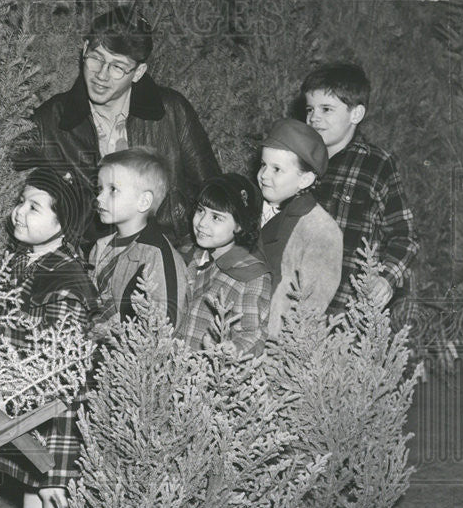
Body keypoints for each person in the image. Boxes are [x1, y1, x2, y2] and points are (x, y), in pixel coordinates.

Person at [0, 169, 97, 508]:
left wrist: (29, 378)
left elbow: (65, 350)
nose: (20, 212)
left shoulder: (66, 276)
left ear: (62, 223)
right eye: (22, 201)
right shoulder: (22, 262)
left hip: (53, 400)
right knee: (29, 477)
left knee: (52, 486)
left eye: (34, 206)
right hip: (22, 393)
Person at [11, 5, 221, 248]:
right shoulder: (52, 120)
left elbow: (214, 193)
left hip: (171, 249)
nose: (102, 75)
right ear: (84, 50)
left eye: (118, 67)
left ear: (138, 72)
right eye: (96, 59)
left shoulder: (172, 111)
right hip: (92, 260)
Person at [301, 62, 420, 312]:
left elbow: (405, 236)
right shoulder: (297, 162)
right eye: (310, 108)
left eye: (326, 109)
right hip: (297, 302)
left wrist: (386, 280)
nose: (314, 117)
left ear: (356, 114)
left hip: (348, 308)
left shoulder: (376, 164)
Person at [257, 118, 343, 343]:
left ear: (305, 179)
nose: (264, 175)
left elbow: (309, 309)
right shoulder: (251, 206)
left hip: (272, 348)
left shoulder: (321, 230)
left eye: (277, 169)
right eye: (263, 165)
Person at [89, 147, 187, 334]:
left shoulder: (156, 256)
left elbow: (165, 324)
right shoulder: (101, 247)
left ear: (143, 201)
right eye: (100, 189)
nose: (99, 198)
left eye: (113, 190)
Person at [178, 173, 272, 357]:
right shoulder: (188, 253)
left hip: (208, 376)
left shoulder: (251, 275)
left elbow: (253, 335)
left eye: (216, 217)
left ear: (240, 226)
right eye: (200, 210)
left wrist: (233, 349)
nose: (202, 223)